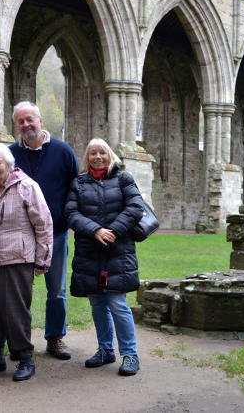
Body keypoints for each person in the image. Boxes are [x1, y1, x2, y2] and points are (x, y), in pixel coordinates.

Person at [0, 143, 53, 382]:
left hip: (18, 257)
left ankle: (25, 357)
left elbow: (43, 224)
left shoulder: (26, 186)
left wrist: (42, 260)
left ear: (9, 165)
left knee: (16, 310)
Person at [64, 138, 145, 376]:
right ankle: (105, 350)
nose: (97, 157)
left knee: (117, 303)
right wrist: (95, 230)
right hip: (90, 250)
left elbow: (135, 207)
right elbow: (70, 212)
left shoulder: (123, 179)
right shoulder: (78, 183)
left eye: (102, 152)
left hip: (117, 250)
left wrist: (113, 231)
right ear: (87, 158)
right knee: (98, 303)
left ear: (110, 155)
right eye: (92, 153)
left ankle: (130, 354)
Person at [9, 101, 78, 360]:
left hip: (56, 234)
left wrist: (69, 219)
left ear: (41, 121)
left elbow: (75, 188)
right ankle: (20, 342)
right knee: (19, 290)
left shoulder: (63, 151)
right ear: (16, 125)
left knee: (56, 290)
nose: (26, 125)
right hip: (20, 235)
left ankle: (55, 338)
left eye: (30, 119)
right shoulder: (9, 154)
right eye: (21, 121)